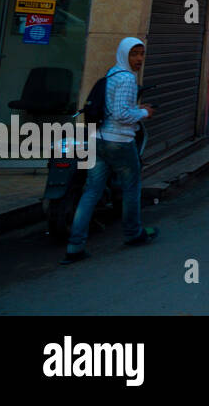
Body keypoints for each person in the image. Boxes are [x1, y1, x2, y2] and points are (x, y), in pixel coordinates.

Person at [62, 37, 157, 264]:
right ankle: (133, 233)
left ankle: (74, 246)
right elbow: (121, 114)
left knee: (91, 191)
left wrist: (136, 107)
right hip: (119, 142)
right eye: (134, 54)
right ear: (125, 54)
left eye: (142, 54)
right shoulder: (127, 79)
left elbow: (113, 107)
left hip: (98, 140)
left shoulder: (113, 73)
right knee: (131, 188)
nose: (139, 59)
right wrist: (144, 113)